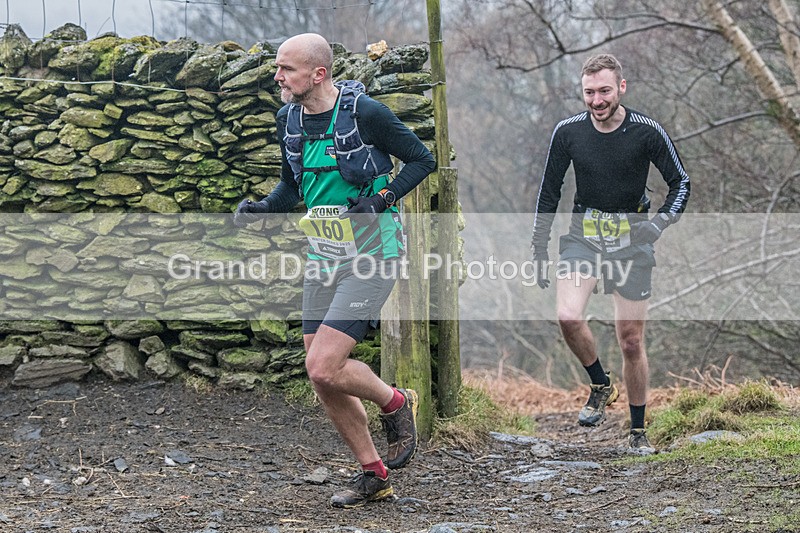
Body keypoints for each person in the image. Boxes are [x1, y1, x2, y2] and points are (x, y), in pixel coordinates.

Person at [233, 33, 435, 507]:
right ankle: (374, 473)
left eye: (286, 69)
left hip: (373, 255)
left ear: (318, 74)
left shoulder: (367, 114)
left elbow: (423, 159)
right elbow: (291, 186)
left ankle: (396, 402)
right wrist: (264, 209)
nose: (277, 77)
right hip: (324, 256)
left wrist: (381, 199)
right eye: (277, 68)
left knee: (325, 364)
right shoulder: (288, 119)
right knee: (320, 374)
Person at [530, 53, 690, 453]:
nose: (597, 101)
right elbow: (548, 192)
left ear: (621, 87)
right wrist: (538, 247)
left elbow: (681, 184)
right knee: (568, 316)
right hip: (584, 235)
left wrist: (658, 225)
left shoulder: (646, 131)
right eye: (589, 93)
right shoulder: (567, 132)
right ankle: (600, 383)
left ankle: (637, 431)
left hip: (633, 240)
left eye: (604, 91)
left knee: (631, 341)